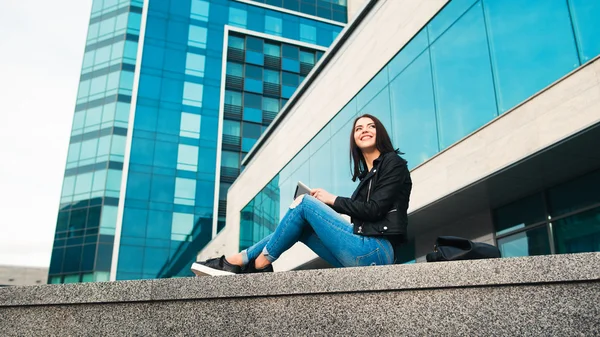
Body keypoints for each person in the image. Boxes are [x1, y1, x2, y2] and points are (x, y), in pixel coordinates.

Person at [191, 114, 412, 276]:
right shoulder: (367, 178)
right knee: (304, 226)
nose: (364, 130)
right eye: (358, 128)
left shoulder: (393, 163)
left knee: (304, 204)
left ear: (379, 132)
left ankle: (249, 262)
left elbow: (375, 210)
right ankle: (249, 261)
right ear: (354, 139)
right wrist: (329, 205)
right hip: (362, 255)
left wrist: (331, 200)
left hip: (377, 252)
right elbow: (362, 214)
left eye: (370, 126)